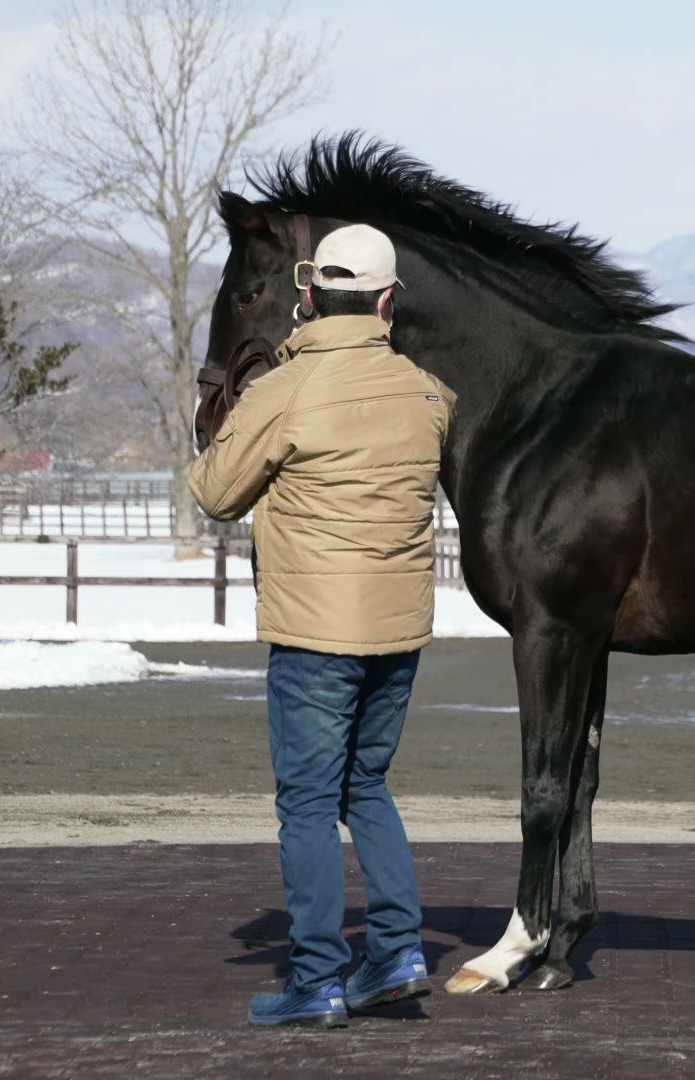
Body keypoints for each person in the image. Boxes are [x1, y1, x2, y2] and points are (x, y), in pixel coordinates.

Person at [190, 223, 456, 1029]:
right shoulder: (426, 395)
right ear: (385, 300)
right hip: (397, 633)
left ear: (306, 294)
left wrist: (240, 410)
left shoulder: (286, 392)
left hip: (313, 635)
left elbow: (214, 492)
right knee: (366, 788)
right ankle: (399, 951)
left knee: (307, 804)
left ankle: (317, 977)